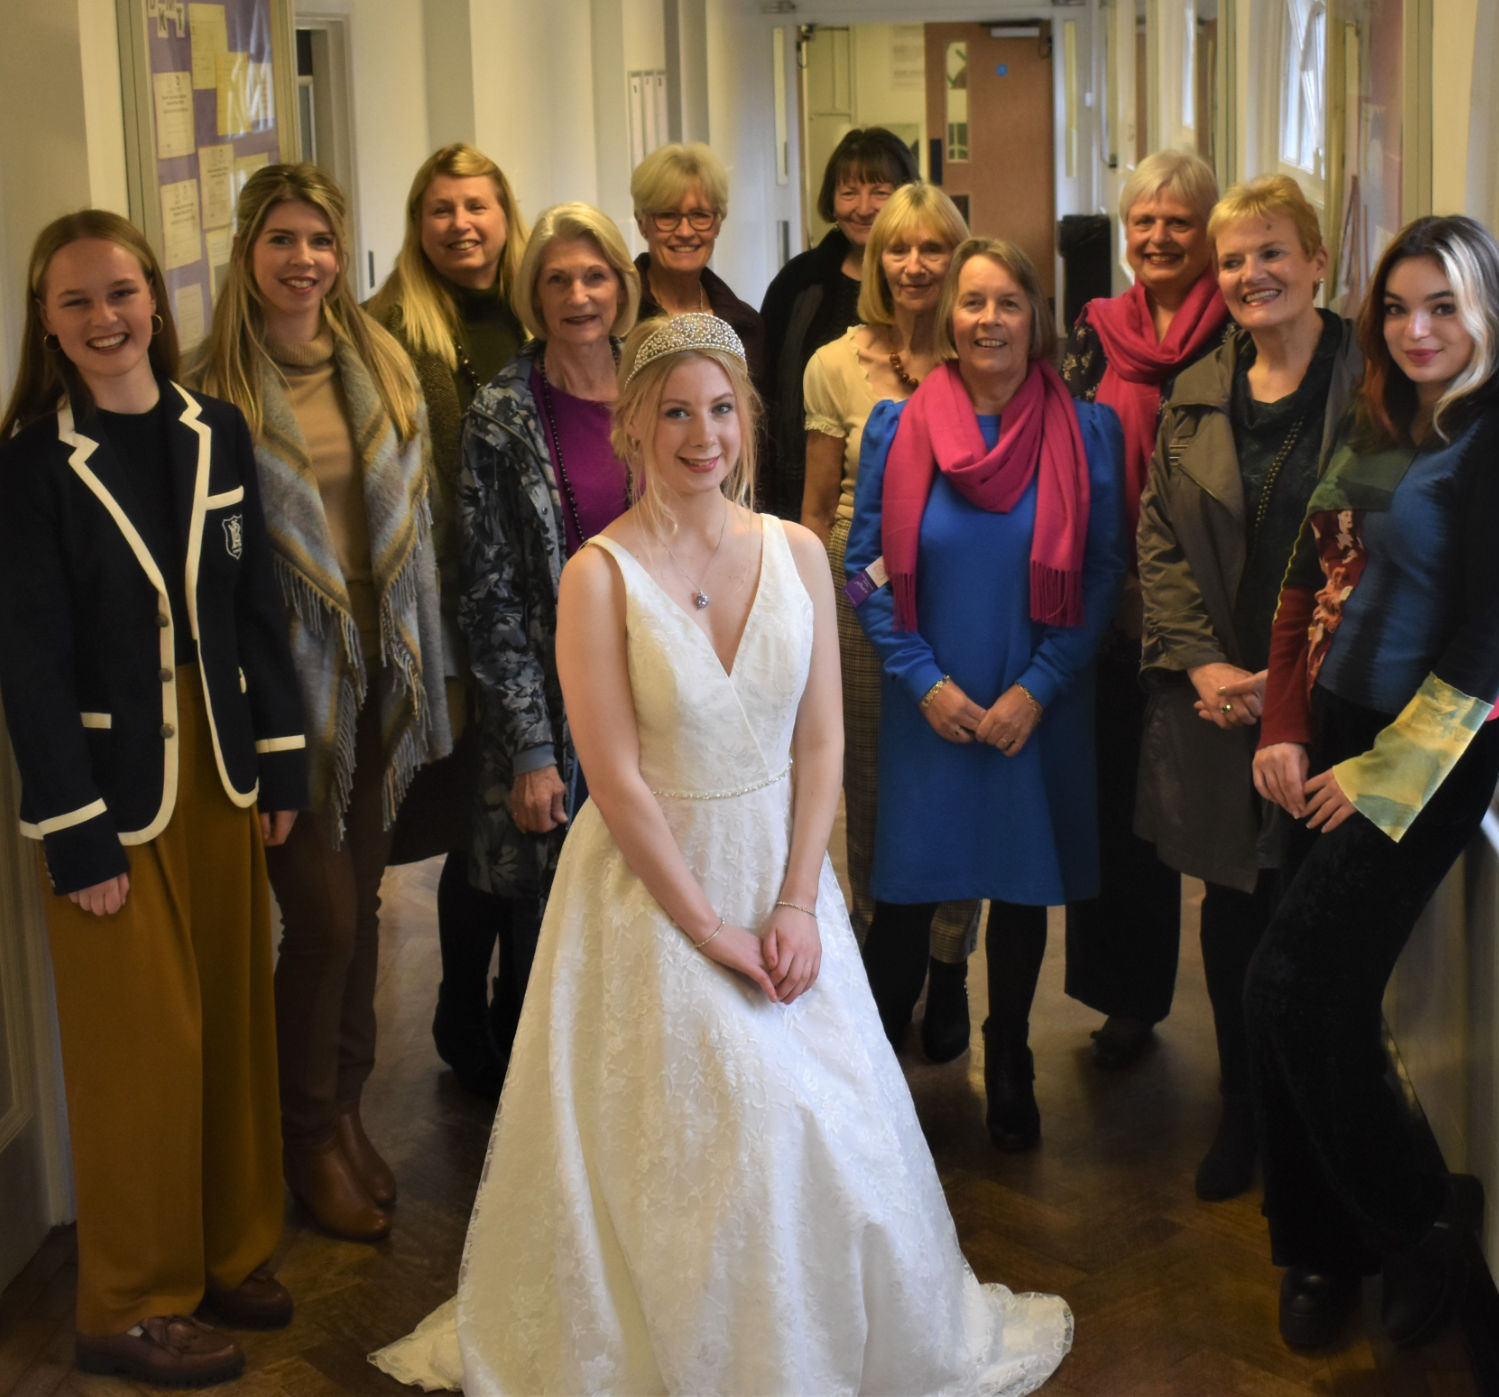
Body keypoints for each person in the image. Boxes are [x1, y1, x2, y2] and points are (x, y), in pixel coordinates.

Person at [370, 313, 1074, 1393]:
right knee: (711, 1133)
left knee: (824, 1128)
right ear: (633, 428)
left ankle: (821, 1339)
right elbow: (614, 776)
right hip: (654, 887)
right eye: (676, 412)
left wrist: (797, 900)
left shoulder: (793, 548)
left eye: (722, 410)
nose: (703, 435)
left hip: (780, 870)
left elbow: (823, 736)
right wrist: (708, 927)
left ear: (746, 421)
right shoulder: (599, 577)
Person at [0, 211, 307, 1386]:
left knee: (230, 1018)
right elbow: (30, 655)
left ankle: (231, 1249)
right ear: (47, 322)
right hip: (109, 797)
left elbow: (253, 607)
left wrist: (281, 759)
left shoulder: (214, 430)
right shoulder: (33, 460)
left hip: (221, 773)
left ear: (155, 300)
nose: (104, 318)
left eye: (120, 292)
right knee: (141, 1050)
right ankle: (129, 1297)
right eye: (75, 302)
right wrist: (74, 832)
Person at [1246, 215, 1499, 1350]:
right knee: (1292, 993)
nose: (1417, 329)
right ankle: (1318, 1245)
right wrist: (1283, 726)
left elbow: (1483, 644)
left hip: (1426, 754)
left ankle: (1421, 1219)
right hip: (1328, 730)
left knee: (1290, 987)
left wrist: (1378, 775)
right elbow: (1300, 579)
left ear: (1486, 313)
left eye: (1444, 307)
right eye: (1398, 307)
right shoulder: (1378, 417)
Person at [192, 163, 453, 1244]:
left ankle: (345, 1112)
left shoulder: (381, 361)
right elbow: (215, 572)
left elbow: (414, 532)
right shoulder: (213, 389)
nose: (304, 261)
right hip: (285, 688)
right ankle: (303, 1132)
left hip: (379, 672)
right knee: (327, 916)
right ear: (248, 253)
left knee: (368, 906)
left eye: (321, 241)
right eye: (282, 240)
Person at [847, 241, 1125, 1150]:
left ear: (1036, 316)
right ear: (948, 318)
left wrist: (1036, 690)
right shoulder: (897, 428)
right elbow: (862, 576)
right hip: (929, 704)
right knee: (909, 891)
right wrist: (922, 680)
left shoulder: (1088, 434)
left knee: (1019, 888)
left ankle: (1010, 1052)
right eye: (973, 304)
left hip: (1032, 707)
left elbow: (1103, 575)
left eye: (1008, 302)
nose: (990, 321)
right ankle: (874, 1070)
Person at [1133, 176, 1361, 1201]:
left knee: (1309, 923)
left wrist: (1301, 676)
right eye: (1233, 260)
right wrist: (1203, 661)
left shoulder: (1375, 384)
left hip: (1339, 697)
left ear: (1317, 261)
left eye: (1272, 252)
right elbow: (1160, 538)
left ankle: (1310, 1120)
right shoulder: (1194, 392)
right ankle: (1244, 1109)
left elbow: (1394, 548)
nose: (1251, 274)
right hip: (1222, 697)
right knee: (1229, 911)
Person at [449, 202, 640, 1092]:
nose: (578, 294)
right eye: (558, 279)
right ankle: (546, 1129)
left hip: (660, 700)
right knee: (551, 927)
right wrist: (530, 751)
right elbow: (486, 596)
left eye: (594, 275)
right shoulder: (499, 414)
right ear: (533, 293)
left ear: (620, 286)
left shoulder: (658, 387)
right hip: (555, 713)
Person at [799, 182, 981, 1062]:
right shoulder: (835, 364)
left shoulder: (986, 349)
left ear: (958, 257)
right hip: (862, 599)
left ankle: (951, 965)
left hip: (967, 589)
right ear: (877, 261)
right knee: (869, 784)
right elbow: (815, 503)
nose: (914, 265)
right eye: (898, 250)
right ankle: (882, 962)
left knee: (958, 780)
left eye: (934, 248)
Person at [366, 143, 530, 1095]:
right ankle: (463, 1008)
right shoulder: (387, 328)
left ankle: (522, 1005)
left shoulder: (540, 305)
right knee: (476, 815)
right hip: (447, 616)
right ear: (418, 223)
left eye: (477, 205)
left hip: (544, 605)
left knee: (531, 814)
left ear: (505, 212)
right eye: (440, 209)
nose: (461, 224)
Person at [1061, 149, 1230, 1069]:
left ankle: (1239, 1027)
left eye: (1180, 221)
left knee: (1199, 807)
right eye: (1145, 221)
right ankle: (1124, 998)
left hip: (1206, 606)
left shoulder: (1232, 329)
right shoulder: (1095, 329)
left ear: (1208, 234)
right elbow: (1064, 444)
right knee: (1118, 802)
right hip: (1104, 598)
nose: (1160, 236)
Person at [757, 126, 919, 516]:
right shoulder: (797, 284)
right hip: (804, 493)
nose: (864, 208)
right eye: (849, 193)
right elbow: (766, 394)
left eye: (880, 191)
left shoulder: (924, 280)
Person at [629, 141, 764, 370]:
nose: (685, 232)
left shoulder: (745, 328)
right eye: (668, 215)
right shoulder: (616, 317)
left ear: (718, 223)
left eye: (700, 215)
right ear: (642, 223)